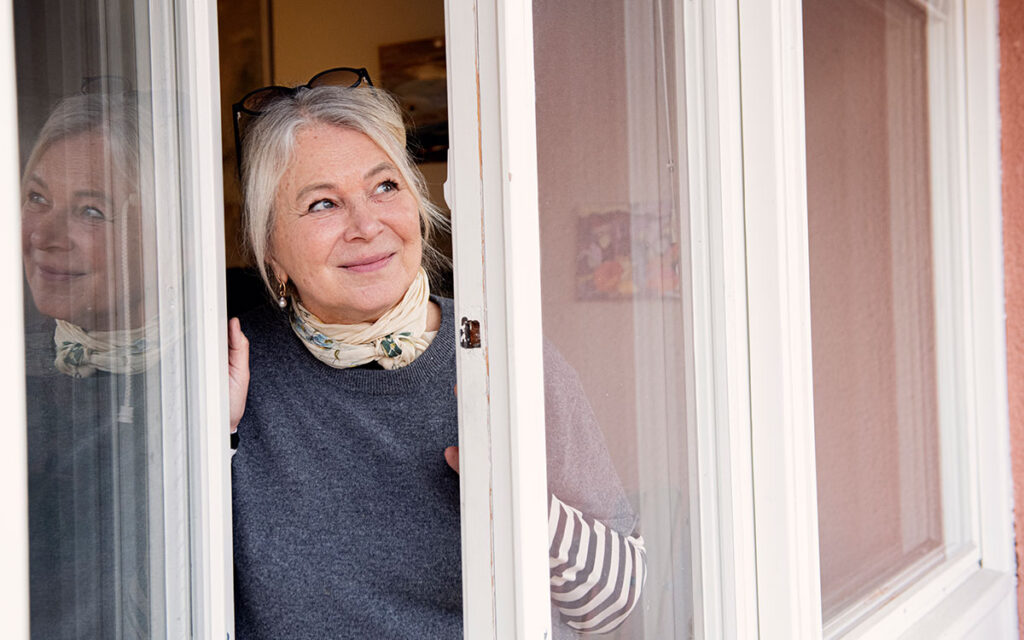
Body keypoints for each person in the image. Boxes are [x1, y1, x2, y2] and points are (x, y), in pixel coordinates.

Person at [228, 72, 646, 638]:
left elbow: (610, 605)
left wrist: (521, 499)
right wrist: (215, 438)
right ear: (271, 249)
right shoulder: (234, 367)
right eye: (323, 203)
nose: (367, 225)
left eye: (385, 188)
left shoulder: (502, 355)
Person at [22, 92, 156, 639]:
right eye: (37, 198)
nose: (44, 238)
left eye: (91, 210)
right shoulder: (18, 366)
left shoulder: (220, 368)